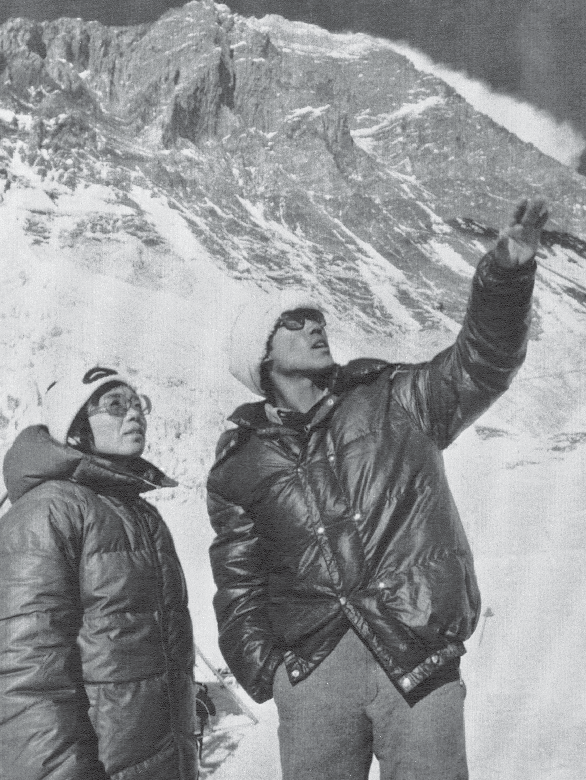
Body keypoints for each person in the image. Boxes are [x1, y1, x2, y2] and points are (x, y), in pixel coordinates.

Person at [207, 200, 549, 779]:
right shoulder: (239, 464)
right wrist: (273, 675)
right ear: (260, 353)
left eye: (316, 317)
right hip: (314, 671)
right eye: (294, 321)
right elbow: (238, 582)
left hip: (414, 652)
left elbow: (481, 364)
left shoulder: (395, 398)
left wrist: (507, 276)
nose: (315, 326)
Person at [0, 366, 198, 780]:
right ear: (76, 427)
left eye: (139, 404)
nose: (134, 414)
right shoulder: (46, 515)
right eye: (115, 405)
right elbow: (24, 677)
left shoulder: (139, 515)